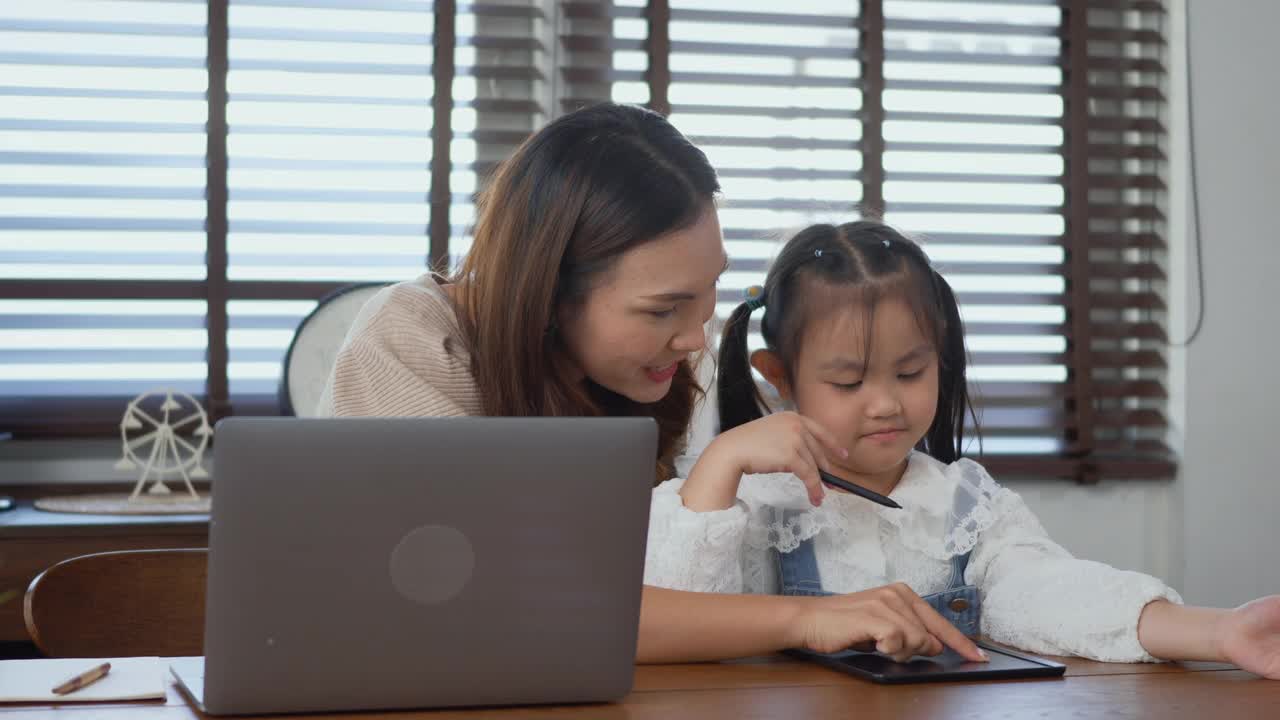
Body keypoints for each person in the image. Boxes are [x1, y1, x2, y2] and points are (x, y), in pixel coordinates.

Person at [319, 104, 985, 664]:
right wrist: (806, 618)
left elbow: (665, 580)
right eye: (662, 309)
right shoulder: (409, 342)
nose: (696, 336)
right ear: (551, 294)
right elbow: (506, 606)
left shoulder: (658, 361)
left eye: (710, 291)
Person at [645, 220, 1280, 677]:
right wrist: (720, 462)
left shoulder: (965, 503)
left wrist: (1219, 632)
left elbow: (1052, 592)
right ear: (778, 377)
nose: (886, 403)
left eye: (912, 372)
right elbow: (666, 618)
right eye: (848, 381)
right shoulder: (748, 504)